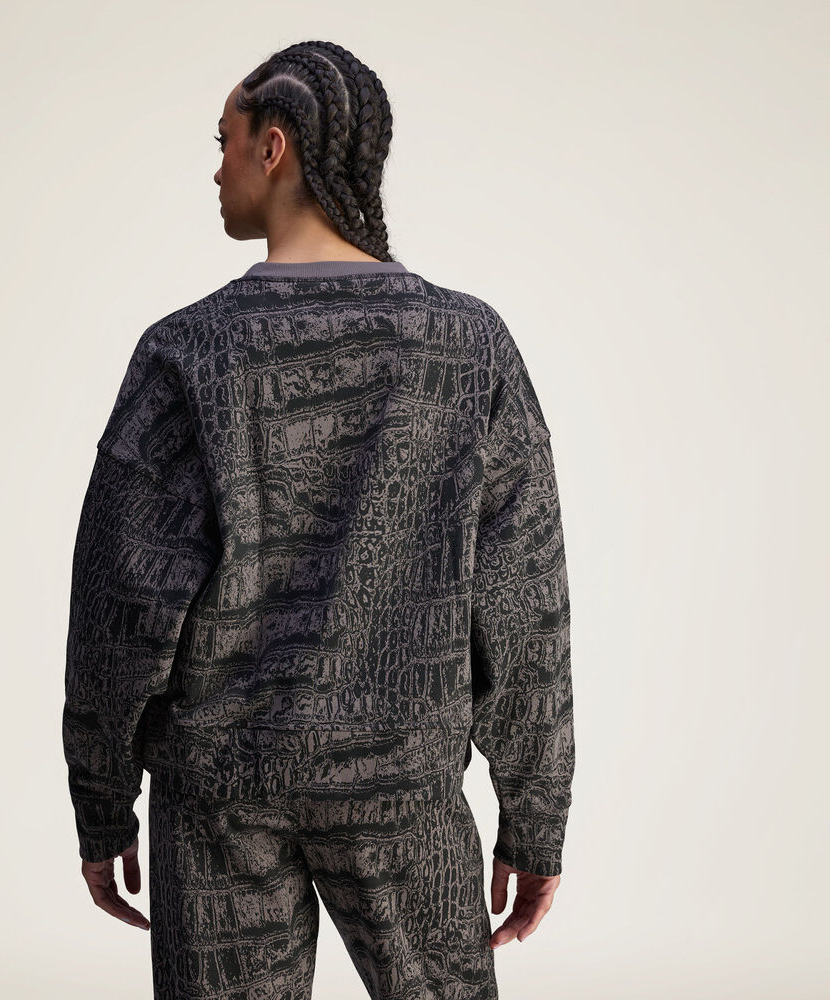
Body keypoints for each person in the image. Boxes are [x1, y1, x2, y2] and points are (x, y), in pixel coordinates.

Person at [62, 39, 575, 1000]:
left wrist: (102, 800)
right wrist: (534, 816)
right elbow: (524, 600)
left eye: (223, 141)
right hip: (404, 789)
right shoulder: (468, 347)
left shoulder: (188, 351)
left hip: (220, 795)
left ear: (274, 146)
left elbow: (119, 604)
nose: (216, 167)